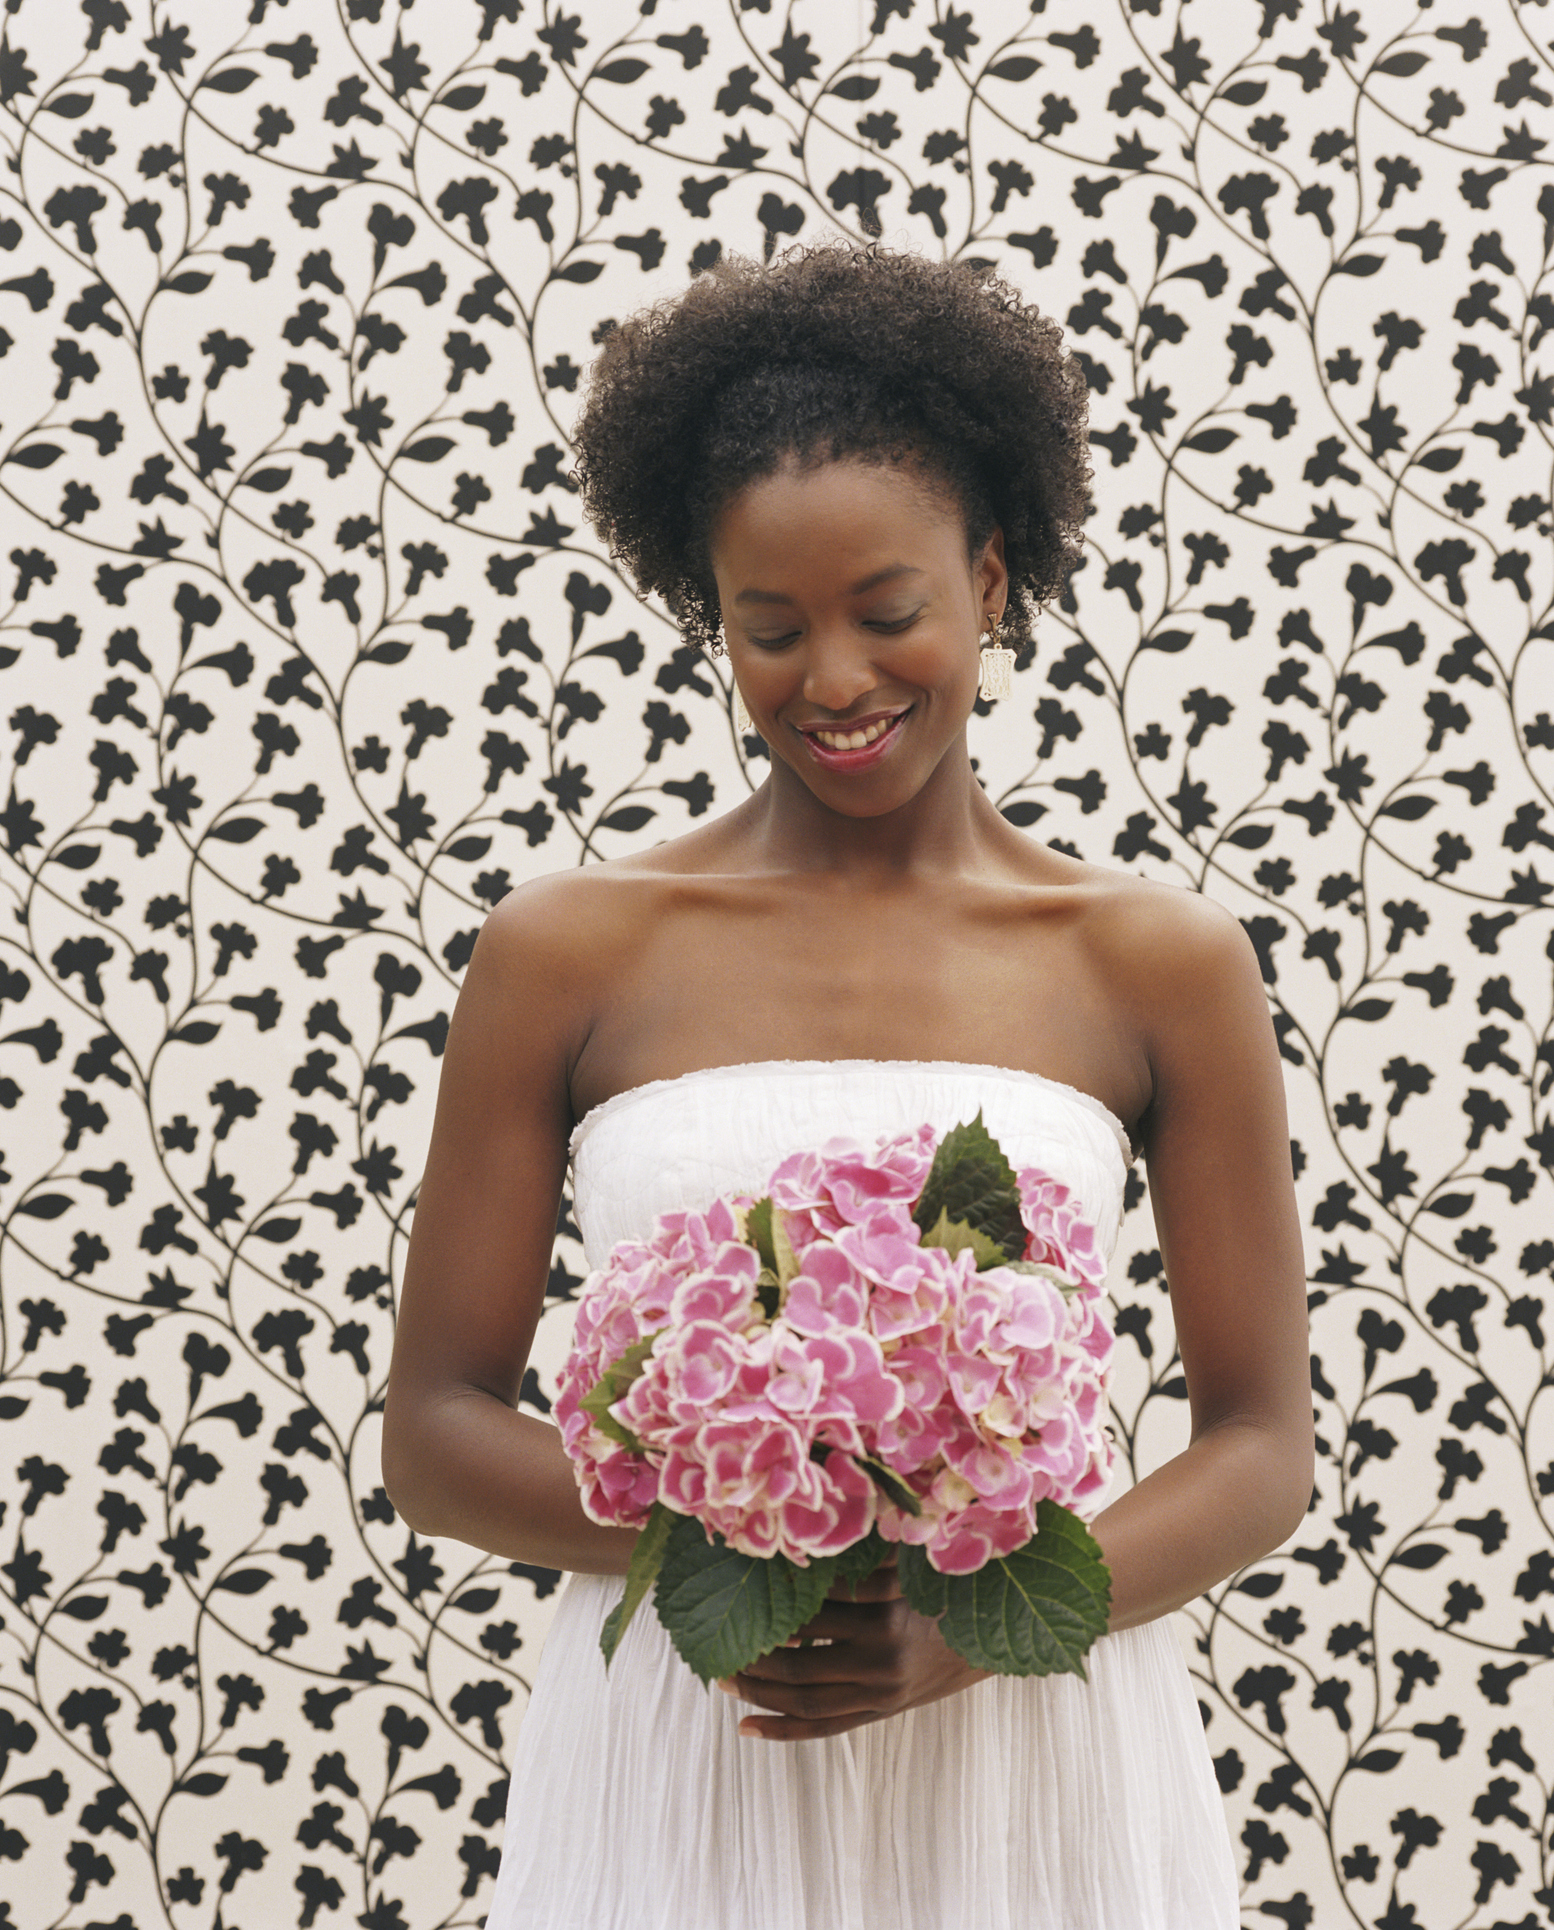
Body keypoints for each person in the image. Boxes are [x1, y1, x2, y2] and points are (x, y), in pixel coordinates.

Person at [381, 242, 1313, 1930]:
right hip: (693, 1722)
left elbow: (1259, 1442)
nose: (832, 681)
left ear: (992, 577)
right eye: (767, 627)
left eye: (887, 612)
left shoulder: (1156, 960)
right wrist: (747, 1534)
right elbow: (436, 1434)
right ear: (707, 617)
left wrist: (969, 1625)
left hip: (1033, 1737)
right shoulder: (566, 949)